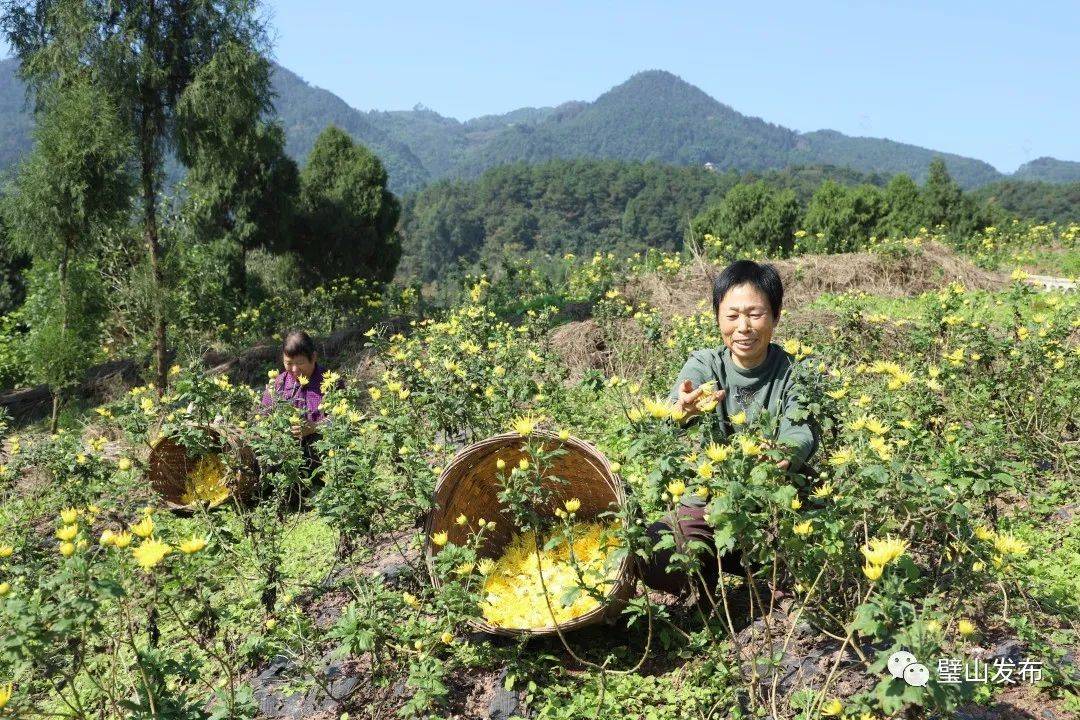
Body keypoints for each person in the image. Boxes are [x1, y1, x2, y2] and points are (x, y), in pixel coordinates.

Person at [640, 259, 820, 599]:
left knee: (813, 560)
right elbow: (670, 412)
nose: (744, 327)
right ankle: (709, 570)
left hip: (774, 500)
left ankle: (756, 568)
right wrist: (682, 411)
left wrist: (783, 455)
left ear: (775, 316)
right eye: (732, 315)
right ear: (718, 317)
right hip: (710, 500)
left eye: (755, 314)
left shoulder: (798, 370)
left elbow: (802, 430)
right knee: (655, 555)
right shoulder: (705, 364)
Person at [260, 330, 338, 473]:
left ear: (313, 357)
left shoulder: (331, 383)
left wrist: (314, 427)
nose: (295, 370)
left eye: (300, 363)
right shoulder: (278, 384)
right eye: (288, 363)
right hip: (285, 461)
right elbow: (262, 418)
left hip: (323, 460)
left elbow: (341, 420)